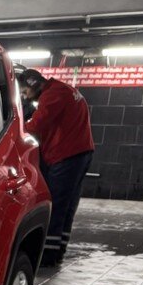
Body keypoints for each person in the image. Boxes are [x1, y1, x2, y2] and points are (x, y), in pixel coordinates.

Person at [17, 68, 94, 266]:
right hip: (79, 154)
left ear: (33, 83)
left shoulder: (53, 95)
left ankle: (47, 256)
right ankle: (58, 249)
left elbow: (36, 125)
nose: (25, 96)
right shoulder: (64, 89)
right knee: (67, 205)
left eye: (25, 91)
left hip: (66, 155)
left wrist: (16, 129)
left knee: (56, 204)